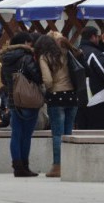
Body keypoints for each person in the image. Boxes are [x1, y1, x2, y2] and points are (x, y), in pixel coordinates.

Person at [34, 34, 78, 178]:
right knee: (68, 133)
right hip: (72, 96)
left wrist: (48, 89)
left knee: (57, 134)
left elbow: (47, 80)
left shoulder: (44, 57)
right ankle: (70, 164)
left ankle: (58, 166)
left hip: (56, 97)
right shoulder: (67, 53)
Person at [0, 32, 42, 177]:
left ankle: (17, 166)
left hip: (13, 101)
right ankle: (25, 166)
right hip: (28, 100)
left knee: (16, 135)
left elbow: (4, 81)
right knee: (26, 136)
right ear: (25, 42)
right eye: (30, 42)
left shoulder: (5, 59)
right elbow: (37, 76)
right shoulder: (27, 57)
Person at [77, 26, 104, 129]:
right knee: (99, 132)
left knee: (82, 133)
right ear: (93, 37)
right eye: (97, 36)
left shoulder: (75, 51)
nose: (99, 38)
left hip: (79, 99)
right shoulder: (94, 53)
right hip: (96, 98)